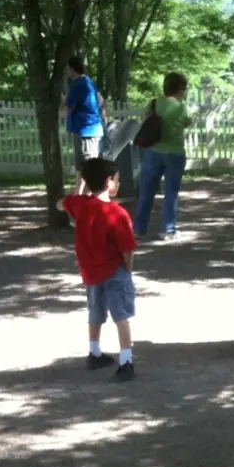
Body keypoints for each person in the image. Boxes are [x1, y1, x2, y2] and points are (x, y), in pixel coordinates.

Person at [57, 157, 138, 382]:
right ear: (109, 181)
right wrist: (128, 271)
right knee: (121, 316)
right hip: (113, 270)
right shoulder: (116, 213)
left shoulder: (80, 205)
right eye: (117, 179)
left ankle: (94, 352)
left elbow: (61, 204)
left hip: (90, 271)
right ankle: (126, 360)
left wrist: (80, 185)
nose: (118, 183)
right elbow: (127, 249)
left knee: (95, 312)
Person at [134, 72, 192, 237]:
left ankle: (139, 229)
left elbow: (144, 120)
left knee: (146, 191)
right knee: (171, 193)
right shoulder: (181, 106)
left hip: (153, 152)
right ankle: (168, 230)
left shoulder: (153, 103)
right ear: (180, 89)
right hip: (175, 153)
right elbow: (187, 122)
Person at [63, 57, 106, 195]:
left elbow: (68, 108)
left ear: (72, 69)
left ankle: (86, 197)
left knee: (88, 167)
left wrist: (63, 100)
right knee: (83, 166)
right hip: (89, 130)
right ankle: (79, 194)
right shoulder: (88, 82)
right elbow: (100, 100)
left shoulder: (78, 85)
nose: (67, 72)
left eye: (67, 69)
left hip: (87, 131)